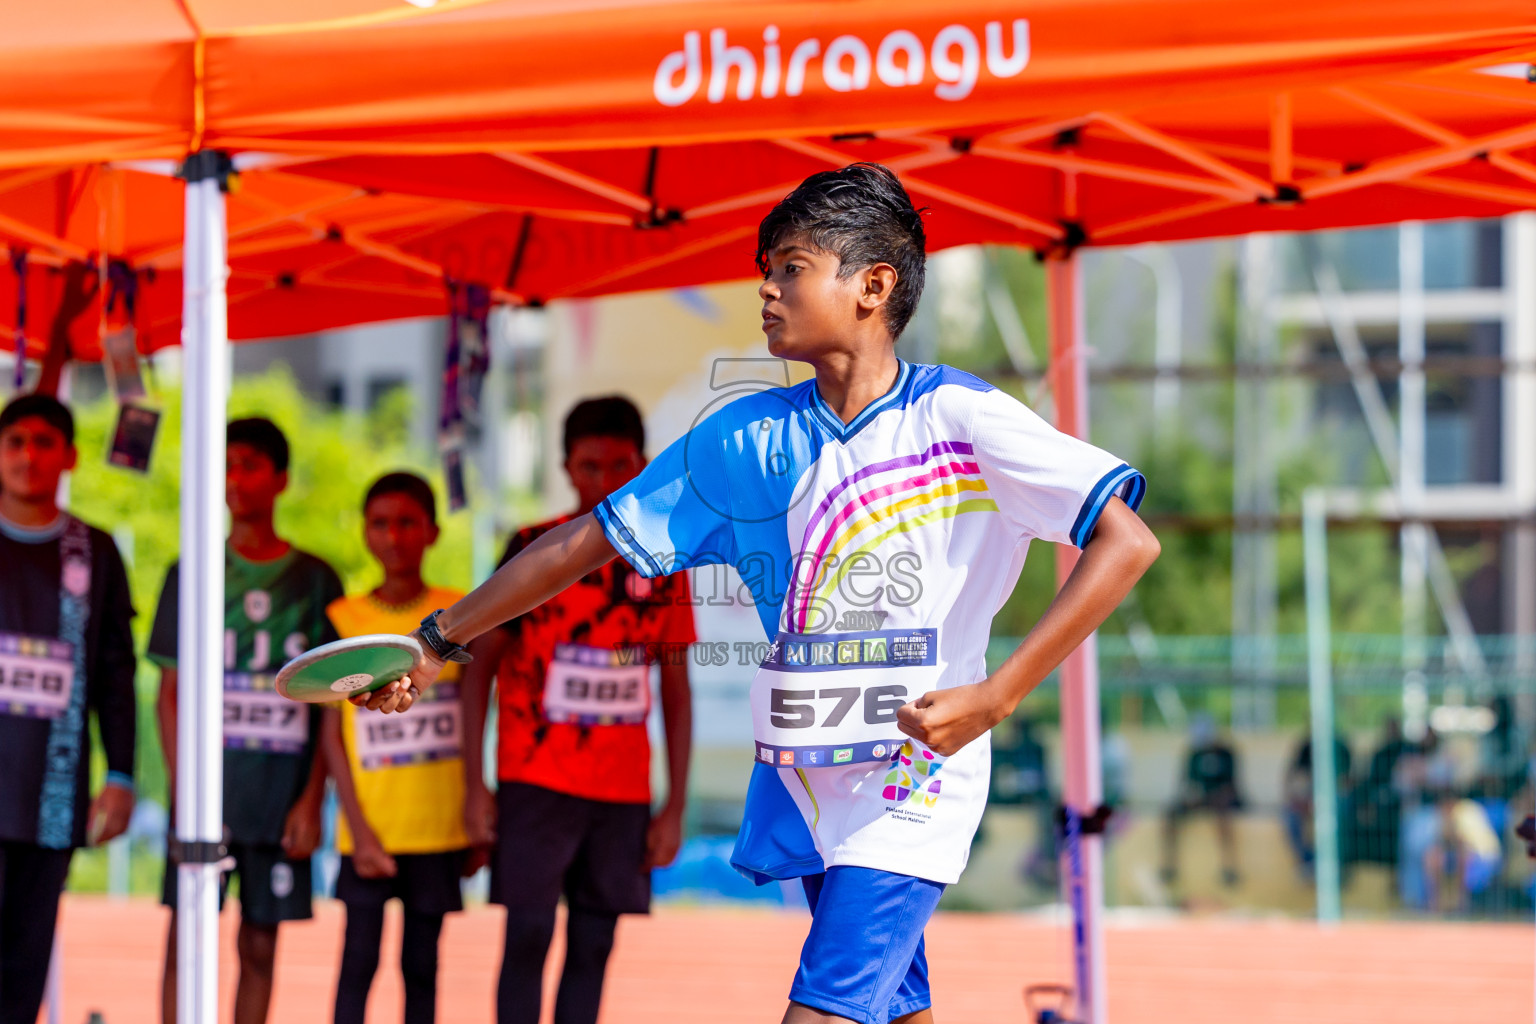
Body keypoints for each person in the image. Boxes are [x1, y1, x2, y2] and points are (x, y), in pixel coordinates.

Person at [362, 163, 1159, 1024]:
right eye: (766, 270)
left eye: (790, 267)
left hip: (915, 782)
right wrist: (436, 639)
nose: (766, 290)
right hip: (809, 787)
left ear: (873, 286)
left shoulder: (963, 421)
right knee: (897, 1011)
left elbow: (1127, 540)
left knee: (816, 1013)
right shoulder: (744, 438)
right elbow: (578, 545)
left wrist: (997, 695)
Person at [458, 396, 697, 1024]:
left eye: (620, 465)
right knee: (528, 936)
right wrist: (473, 786)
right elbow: (476, 666)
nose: (605, 480)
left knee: (594, 944)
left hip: (620, 792)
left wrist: (673, 804)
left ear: (643, 466)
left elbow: (676, 688)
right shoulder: (534, 549)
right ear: (567, 467)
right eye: (589, 466)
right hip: (534, 782)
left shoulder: (668, 563)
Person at [150, 417, 343, 1024]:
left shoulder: (316, 582)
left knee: (260, 944)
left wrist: (313, 800)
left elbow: (334, 704)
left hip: (278, 797)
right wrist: (184, 790)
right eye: (227, 465)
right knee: (187, 936)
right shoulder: (192, 572)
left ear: (281, 479)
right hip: (210, 795)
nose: (236, 479)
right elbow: (170, 693)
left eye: (251, 465)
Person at [0, 394, 137, 1024]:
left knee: (24, 967)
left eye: (44, 442)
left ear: (70, 456)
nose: (28, 456)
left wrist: (121, 775)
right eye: (15, 442)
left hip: (50, 801)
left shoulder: (97, 553)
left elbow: (116, 675)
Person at [323, 473, 470, 1024]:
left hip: (437, 829)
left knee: (422, 969)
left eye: (407, 522)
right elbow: (333, 734)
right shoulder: (343, 621)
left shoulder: (460, 614)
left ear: (431, 531)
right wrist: (356, 828)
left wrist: (475, 806)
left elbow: (476, 715)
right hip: (368, 830)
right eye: (380, 523)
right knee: (357, 964)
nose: (394, 536)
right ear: (365, 532)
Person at [1160, 714, 1242, 887]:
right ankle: (1169, 865)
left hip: (1222, 800)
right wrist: (1191, 797)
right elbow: (1187, 782)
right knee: (1171, 812)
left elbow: (1232, 785)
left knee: (1223, 813)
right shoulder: (1194, 754)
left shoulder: (1226, 753)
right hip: (1200, 799)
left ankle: (1229, 866)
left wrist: (1212, 796)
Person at [1282, 731, 1353, 878]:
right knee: (1289, 815)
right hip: (1310, 793)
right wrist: (1298, 796)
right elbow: (1293, 774)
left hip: (1335, 795)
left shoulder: (1340, 746)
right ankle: (1309, 861)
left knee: (1340, 814)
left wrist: (1322, 801)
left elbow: (1346, 782)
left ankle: (1337, 864)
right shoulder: (1307, 745)